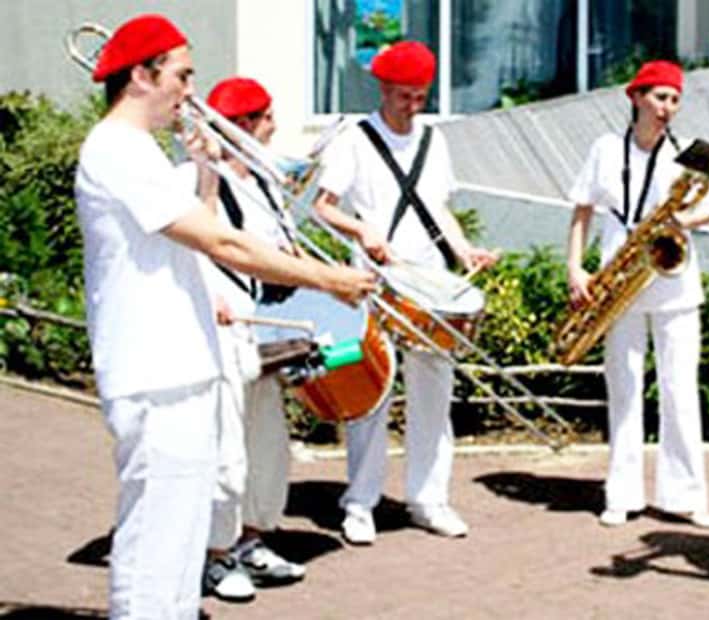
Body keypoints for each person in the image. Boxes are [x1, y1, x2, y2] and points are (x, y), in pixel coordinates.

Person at [75, 14, 376, 619]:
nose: (190, 90)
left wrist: (208, 169)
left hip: (181, 368)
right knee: (155, 536)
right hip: (155, 375)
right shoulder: (116, 150)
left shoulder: (143, 153)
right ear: (142, 74)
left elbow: (198, 231)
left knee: (181, 539)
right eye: (182, 75)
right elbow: (226, 245)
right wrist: (330, 279)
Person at [313, 40, 498, 545]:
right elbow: (322, 208)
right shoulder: (354, 139)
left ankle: (429, 499)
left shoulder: (433, 141)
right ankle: (360, 502)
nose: (412, 107)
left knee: (435, 394)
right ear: (383, 89)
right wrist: (361, 231)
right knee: (371, 389)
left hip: (428, 281)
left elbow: (438, 207)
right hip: (372, 282)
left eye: (420, 97)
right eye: (403, 97)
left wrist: (464, 252)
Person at [565, 60, 709, 530]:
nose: (667, 107)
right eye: (659, 97)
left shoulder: (687, 152)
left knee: (679, 391)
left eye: (674, 99)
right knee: (625, 388)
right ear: (635, 97)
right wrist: (576, 266)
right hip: (620, 281)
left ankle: (687, 497)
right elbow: (582, 210)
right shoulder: (605, 149)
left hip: (673, 280)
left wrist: (679, 222)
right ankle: (622, 493)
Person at [185, 77, 308, 601]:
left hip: (264, 326)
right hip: (222, 328)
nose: (274, 127)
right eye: (265, 118)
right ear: (242, 125)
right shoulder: (194, 178)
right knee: (226, 450)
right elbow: (192, 245)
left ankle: (253, 540)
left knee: (267, 447)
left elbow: (276, 251)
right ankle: (214, 556)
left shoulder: (264, 181)